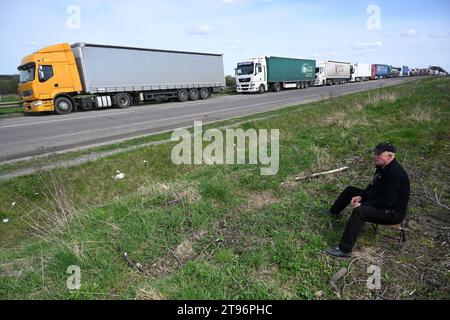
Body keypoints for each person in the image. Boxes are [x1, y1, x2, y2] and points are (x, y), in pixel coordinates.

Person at [325, 142, 410, 258]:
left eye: (379, 154)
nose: (375, 156)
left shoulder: (394, 174)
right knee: (351, 190)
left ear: (390, 156)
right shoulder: (382, 167)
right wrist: (361, 196)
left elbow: (386, 202)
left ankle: (344, 249)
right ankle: (333, 213)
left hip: (392, 212)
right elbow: (372, 186)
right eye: (375, 153)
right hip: (382, 201)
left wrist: (363, 204)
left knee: (360, 211)